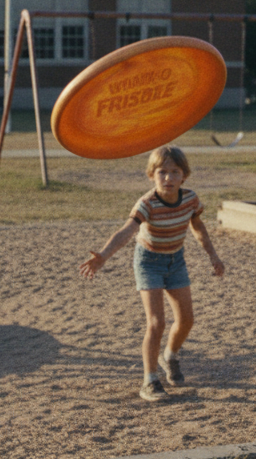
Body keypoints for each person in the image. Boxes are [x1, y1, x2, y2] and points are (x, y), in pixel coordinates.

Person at [79, 145, 225, 401]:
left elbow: (198, 225)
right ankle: (150, 380)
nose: (168, 178)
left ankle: (170, 355)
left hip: (176, 260)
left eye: (174, 172)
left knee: (187, 320)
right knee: (156, 323)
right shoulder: (147, 203)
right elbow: (126, 231)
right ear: (151, 175)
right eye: (162, 172)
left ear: (184, 176)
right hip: (148, 262)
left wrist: (213, 255)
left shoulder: (190, 198)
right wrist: (103, 256)